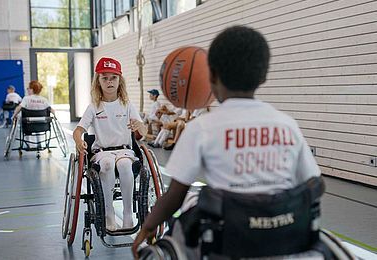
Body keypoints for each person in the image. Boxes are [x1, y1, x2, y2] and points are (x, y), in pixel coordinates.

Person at [132, 26, 321, 258]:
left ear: (212, 76)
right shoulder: (287, 125)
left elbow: (174, 196)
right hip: (281, 239)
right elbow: (313, 183)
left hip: (228, 241)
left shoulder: (201, 128)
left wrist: (149, 225)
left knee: (193, 199)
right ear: (263, 77)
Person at [73, 57, 147, 231]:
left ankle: (128, 214)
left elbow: (143, 133)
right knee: (107, 164)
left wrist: (140, 126)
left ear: (119, 80)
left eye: (113, 77)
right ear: (98, 82)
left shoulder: (127, 105)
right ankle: (109, 214)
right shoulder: (93, 107)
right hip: (102, 152)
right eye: (104, 78)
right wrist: (78, 141)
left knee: (124, 165)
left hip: (124, 151)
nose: (109, 81)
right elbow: (78, 130)